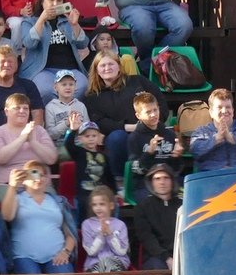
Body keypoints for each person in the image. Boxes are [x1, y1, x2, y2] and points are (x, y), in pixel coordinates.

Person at [0, 161, 77, 275]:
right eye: (33, 174)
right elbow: (6, 215)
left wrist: (66, 252)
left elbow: (70, 234)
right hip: (23, 255)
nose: (39, 178)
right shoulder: (18, 198)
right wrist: (12, 187)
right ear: (25, 178)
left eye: (43, 174)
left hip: (56, 254)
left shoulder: (58, 201)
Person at [83, 52, 165, 182]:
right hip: (120, 137)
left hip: (149, 130)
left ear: (119, 67)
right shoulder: (92, 96)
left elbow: (159, 101)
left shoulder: (137, 81)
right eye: (102, 65)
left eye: (111, 64)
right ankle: (121, 180)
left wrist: (151, 123)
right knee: (117, 137)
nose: (107, 68)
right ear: (96, 70)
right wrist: (130, 127)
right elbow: (99, 122)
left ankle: (158, 175)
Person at [19, 0, 89, 103]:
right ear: (42, 2)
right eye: (51, 0)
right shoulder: (29, 22)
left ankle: (72, 118)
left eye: (59, 0)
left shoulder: (67, 21)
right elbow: (29, 43)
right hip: (43, 70)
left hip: (70, 69)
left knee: (82, 87)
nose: (55, 3)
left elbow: (82, 44)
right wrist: (41, 19)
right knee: (46, 90)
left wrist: (74, 25)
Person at [0, 92, 58, 201]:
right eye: (17, 108)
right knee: (21, 209)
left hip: (40, 183)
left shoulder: (39, 131)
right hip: (9, 184)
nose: (22, 111)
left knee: (54, 209)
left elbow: (51, 159)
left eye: (25, 108)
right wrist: (22, 138)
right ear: (6, 111)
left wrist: (33, 141)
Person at [127, 91, 182, 199]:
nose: (153, 114)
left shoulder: (169, 134)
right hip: (145, 184)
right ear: (138, 115)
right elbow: (135, 169)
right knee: (154, 201)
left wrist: (177, 157)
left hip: (168, 182)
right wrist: (149, 153)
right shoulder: (134, 137)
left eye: (155, 110)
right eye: (148, 112)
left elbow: (175, 170)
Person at [189, 88, 236, 171]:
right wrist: (216, 139)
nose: (224, 111)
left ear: (233, 111)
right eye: (219, 107)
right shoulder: (201, 131)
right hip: (212, 179)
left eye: (228, 107)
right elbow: (195, 151)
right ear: (211, 112)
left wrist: (232, 139)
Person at [63, 116, 115, 215]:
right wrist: (73, 130)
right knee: (83, 204)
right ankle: (82, 227)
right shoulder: (79, 153)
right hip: (84, 194)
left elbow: (109, 176)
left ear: (99, 137)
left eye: (94, 136)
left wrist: (114, 192)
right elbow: (68, 145)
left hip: (101, 193)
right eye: (87, 136)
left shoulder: (104, 156)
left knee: (112, 204)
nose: (91, 139)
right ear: (80, 139)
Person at [134, 162, 181, 272]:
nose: (162, 182)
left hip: (182, 254)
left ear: (172, 181)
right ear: (151, 182)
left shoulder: (183, 205)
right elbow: (146, 237)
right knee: (158, 268)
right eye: (157, 179)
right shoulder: (142, 207)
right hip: (155, 256)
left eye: (166, 178)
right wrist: (167, 258)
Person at [44, 69, 89, 144]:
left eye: (71, 84)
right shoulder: (50, 107)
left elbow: (88, 130)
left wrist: (80, 126)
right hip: (60, 146)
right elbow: (50, 134)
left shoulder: (81, 106)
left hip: (80, 145)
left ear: (75, 86)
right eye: (64, 84)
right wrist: (67, 123)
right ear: (55, 87)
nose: (68, 87)